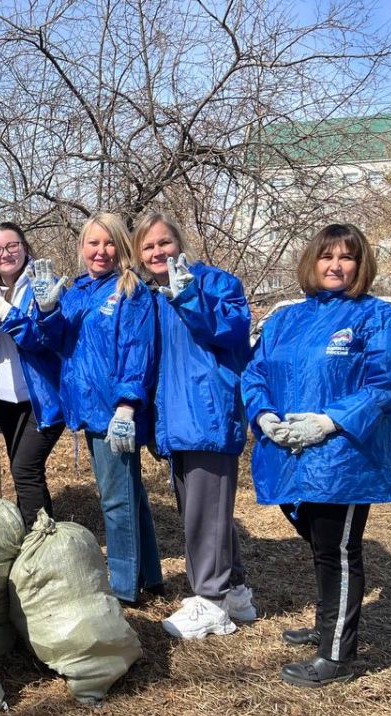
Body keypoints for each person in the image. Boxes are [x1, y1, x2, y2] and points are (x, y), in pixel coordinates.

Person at [242, 222, 391, 687]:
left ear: (361, 265)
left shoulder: (378, 317)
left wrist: (330, 420)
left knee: (338, 551)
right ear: (311, 263)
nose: (335, 265)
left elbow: (390, 383)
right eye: (327, 257)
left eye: (346, 257)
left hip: (343, 456)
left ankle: (336, 656)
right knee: (321, 546)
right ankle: (328, 625)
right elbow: (255, 373)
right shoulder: (284, 319)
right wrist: (262, 416)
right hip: (288, 454)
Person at [133, 212, 258, 639]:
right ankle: (235, 591)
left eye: (164, 243)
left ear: (180, 244)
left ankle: (210, 601)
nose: (157, 252)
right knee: (205, 512)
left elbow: (233, 333)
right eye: (148, 247)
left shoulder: (214, 283)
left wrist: (188, 298)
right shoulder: (154, 296)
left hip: (207, 412)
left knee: (204, 512)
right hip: (177, 417)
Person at [29, 212, 162, 602]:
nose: (100, 251)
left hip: (114, 410)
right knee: (129, 491)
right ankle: (150, 575)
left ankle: (122, 586)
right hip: (87, 405)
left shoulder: (130, 289)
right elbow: (56, 341)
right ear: (82, 247)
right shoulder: (77, 290)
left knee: (116, 498)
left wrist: (126, 405)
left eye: (108, 243)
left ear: (121, 246)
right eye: (93, 243)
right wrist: (48, 310)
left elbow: (138, 350)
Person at [0, 222, 65, 526]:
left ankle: (41, 540)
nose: (5, 254)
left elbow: (42, 340)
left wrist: (7, 314)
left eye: (11, 246)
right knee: (23, 469)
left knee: (25, 469)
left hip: (42, 397)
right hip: (5, 399)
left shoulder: (42, 283)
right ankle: (32, 529)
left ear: (24, 247)